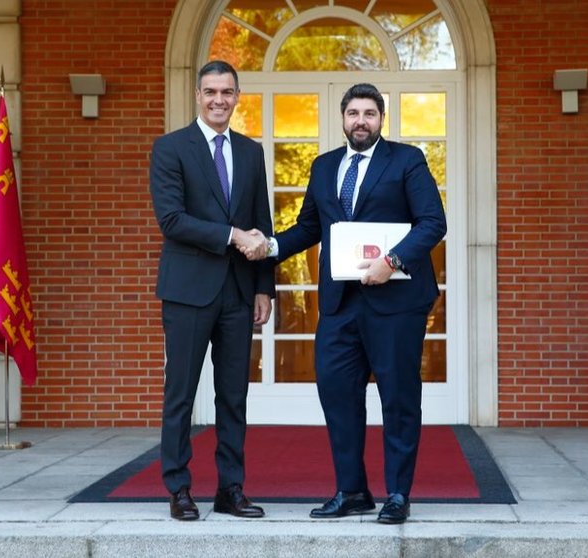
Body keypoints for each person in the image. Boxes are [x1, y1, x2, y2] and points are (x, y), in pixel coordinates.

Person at [254, 83, 446, 524]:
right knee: (338, 396)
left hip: (395, 302)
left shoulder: (406, 160)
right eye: (354, 113)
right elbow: (307, 228)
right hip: (340, 305)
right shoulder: (324, 167)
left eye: (370, 113)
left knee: (398, 397)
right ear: (342, 118)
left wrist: (392, 260)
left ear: (382, 119)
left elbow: (433, 221)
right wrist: (268, 246)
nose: (361, 121)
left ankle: (398, 493)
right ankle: (352, 490)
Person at [148, 60, 273, 521]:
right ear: (197, 96)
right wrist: (233, 237)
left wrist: (265, 288)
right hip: (187, 291)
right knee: (180, 392)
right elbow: (172, 220)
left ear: (237, 96)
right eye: (210, 91)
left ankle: (230, 488)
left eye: (227, 91)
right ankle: (179, 488)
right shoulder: (170, 148)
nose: (218, 99)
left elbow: (263, 220)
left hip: (239, 293)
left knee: (233, 396)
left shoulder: (251, 151)